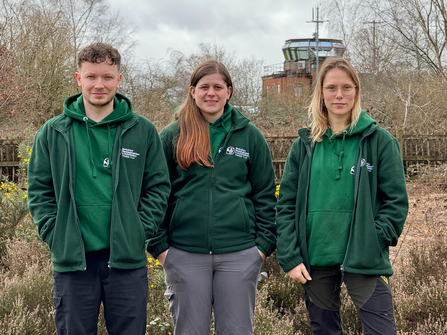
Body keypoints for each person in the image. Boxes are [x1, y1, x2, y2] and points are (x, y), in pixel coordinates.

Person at [27, 42, 170, 334]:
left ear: (119, 79)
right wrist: (56, 235)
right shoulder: (53, 132)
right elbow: (39, 192)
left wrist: (138, 230)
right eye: (91, 77)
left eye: (107, 77)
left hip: (126, 260)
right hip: (73, 262)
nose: (99, 85)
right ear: (79, 78)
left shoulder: (142, 131)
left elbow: (158, 188)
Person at [276, 57, 409, 334]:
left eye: (347, 87)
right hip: (314, 260)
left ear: (357, 92)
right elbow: (286, 205)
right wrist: (290, 256)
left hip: (365, 258)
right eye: (332, 87)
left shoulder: (380, 142)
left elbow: (396, 202)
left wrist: (373, 239)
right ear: (321, 93)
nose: (339, 95)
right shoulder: (304, 146)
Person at [147, 60, 277, 335]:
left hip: (240, 254)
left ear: (229, 91)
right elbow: (154, 193)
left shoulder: (250, 137)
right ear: (192, 91)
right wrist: (160, 249)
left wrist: (261, 247)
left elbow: (265, 196)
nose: (211, 93)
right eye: (204, 87)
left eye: (218, 87)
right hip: (184, 253)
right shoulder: (172, 135)